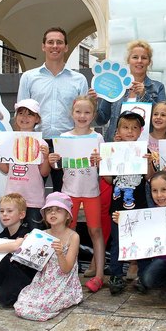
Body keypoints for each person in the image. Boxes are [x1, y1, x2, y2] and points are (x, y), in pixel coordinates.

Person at [17, 27, 92, 192]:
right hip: (35, 141)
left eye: (59, 42)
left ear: (65, 47)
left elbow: (84, 115)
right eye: (50, 42)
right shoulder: (29, 77)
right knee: (30, 193)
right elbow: (21, 115)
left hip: (67, 143)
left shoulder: (79, 80)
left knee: (64, 195)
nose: (55, 46)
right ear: (43, 46)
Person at [113, 171, 166, 307]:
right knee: (147, 279)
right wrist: (122, 223)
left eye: (164, 190)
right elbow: (138, 237)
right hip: (163, 259)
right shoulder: (149, 215)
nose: (159, 195)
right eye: (154, 191)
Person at [47, 95, 105, 293]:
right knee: (65, 232)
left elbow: (103, 166)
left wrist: (100, 160)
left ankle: (99, 275)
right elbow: (56, 166)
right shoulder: (64, 137)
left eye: (87, 112)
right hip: (68, 194)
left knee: (95, 231)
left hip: (90, 192)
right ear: (72, 113)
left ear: (93, 115)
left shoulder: (98, 137)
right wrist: (53, 159)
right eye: (78, 112)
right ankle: (65, 272)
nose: (82, 116)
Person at [102, 111, 154, 295]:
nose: (130, 131)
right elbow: (109, 180)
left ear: (141, 131)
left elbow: (149, 178)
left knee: (140, 242)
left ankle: (144, 276)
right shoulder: (113, 150)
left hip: (139, 206)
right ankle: (116, 276)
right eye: (125, 127)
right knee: (117, 243)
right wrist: (101, 163)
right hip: (117, 207)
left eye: (134, 128)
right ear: (118, 130)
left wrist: (149, 162)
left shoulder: (144, 150)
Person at [14, 192, 83, 321]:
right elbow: (39, 265)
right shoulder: (42, 234)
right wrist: (29, 246)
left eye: (58, 210)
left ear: (68, 215)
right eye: (49, 210)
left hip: (63, 282)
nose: (53, 213)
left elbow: (66, 269)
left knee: (45, 305)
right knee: (22, 302)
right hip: (44, 280)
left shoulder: (73, 236)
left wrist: (59, 253)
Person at [0, 99, 51, 230]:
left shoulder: (42, 144)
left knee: (33, 238)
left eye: (30, 114)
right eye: (21, 113)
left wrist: (46, 158)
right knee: (13, 236)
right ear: (16, 116)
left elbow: (44, 173)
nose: (24, 117)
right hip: (12, 199)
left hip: (33, 200)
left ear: (37, 119)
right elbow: (6, 169)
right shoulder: (8, 141)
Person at [96, 40, 166, 142]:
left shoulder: (158, 87)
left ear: (149, 62)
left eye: (144, 58)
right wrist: (92, 105)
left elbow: (163, 118)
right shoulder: (116, 86)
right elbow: (101, 120)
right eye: (135, 57)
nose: (139, 61)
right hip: (115, 146)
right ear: (128, 60)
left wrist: (144, 95)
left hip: (147, 149)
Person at [0, 193, 37, 306]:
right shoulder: (5, 232)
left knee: (4, 299)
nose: (5, 214)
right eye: (2, 211)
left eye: (9, 211)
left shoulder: (25, 230)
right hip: (11, 274)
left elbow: (16, 245)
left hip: (24, 275)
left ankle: (24, 292)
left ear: (21, 214)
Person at [146, 101, 166, 207]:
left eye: (163, 115)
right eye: (155, 114)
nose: (158, 117)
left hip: (164, 192)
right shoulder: (141, 140)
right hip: (146, 189)